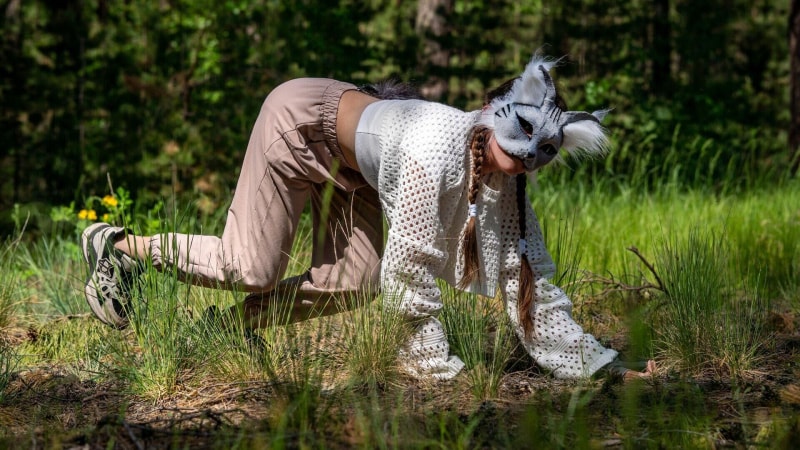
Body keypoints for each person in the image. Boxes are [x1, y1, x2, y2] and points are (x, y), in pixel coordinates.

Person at [81, 54, 655, 381]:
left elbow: (522, 270)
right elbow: (408, 271)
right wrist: (433, 366)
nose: (526, 160)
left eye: (541, 155)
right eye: (520, 143)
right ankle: (120, 246)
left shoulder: (502, 174)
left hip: (357, 167)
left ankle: (226, 332)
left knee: (352, 283)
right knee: (249, 266)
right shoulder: (433, 153)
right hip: (302, 124)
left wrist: (593, 363)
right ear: (493, 116)